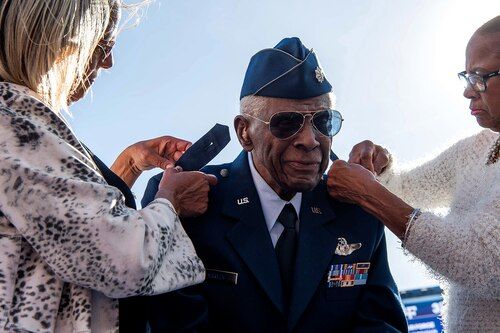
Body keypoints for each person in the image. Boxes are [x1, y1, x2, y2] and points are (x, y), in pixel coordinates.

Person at [140, 37, 408, 332]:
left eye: (323, 122)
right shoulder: (184, 203)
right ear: (245, 133)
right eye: (286, 123)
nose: (309, 140)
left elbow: (380, 324)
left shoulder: (356, 209)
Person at [0, 1, 217, 332]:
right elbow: (123, 260)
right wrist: (170, 201)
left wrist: (126, 166)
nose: (108, 62)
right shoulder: (15, 127)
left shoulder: (19, 122)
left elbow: (69, 224)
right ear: (62, 41)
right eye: (103, 45)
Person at [327, 16, 500, 332]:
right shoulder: (477, 148)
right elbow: (409, 189)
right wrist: (382, 169)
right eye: (467, 77)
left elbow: (483, 261)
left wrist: (369, 194)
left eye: (480, 77)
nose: (468, 92)